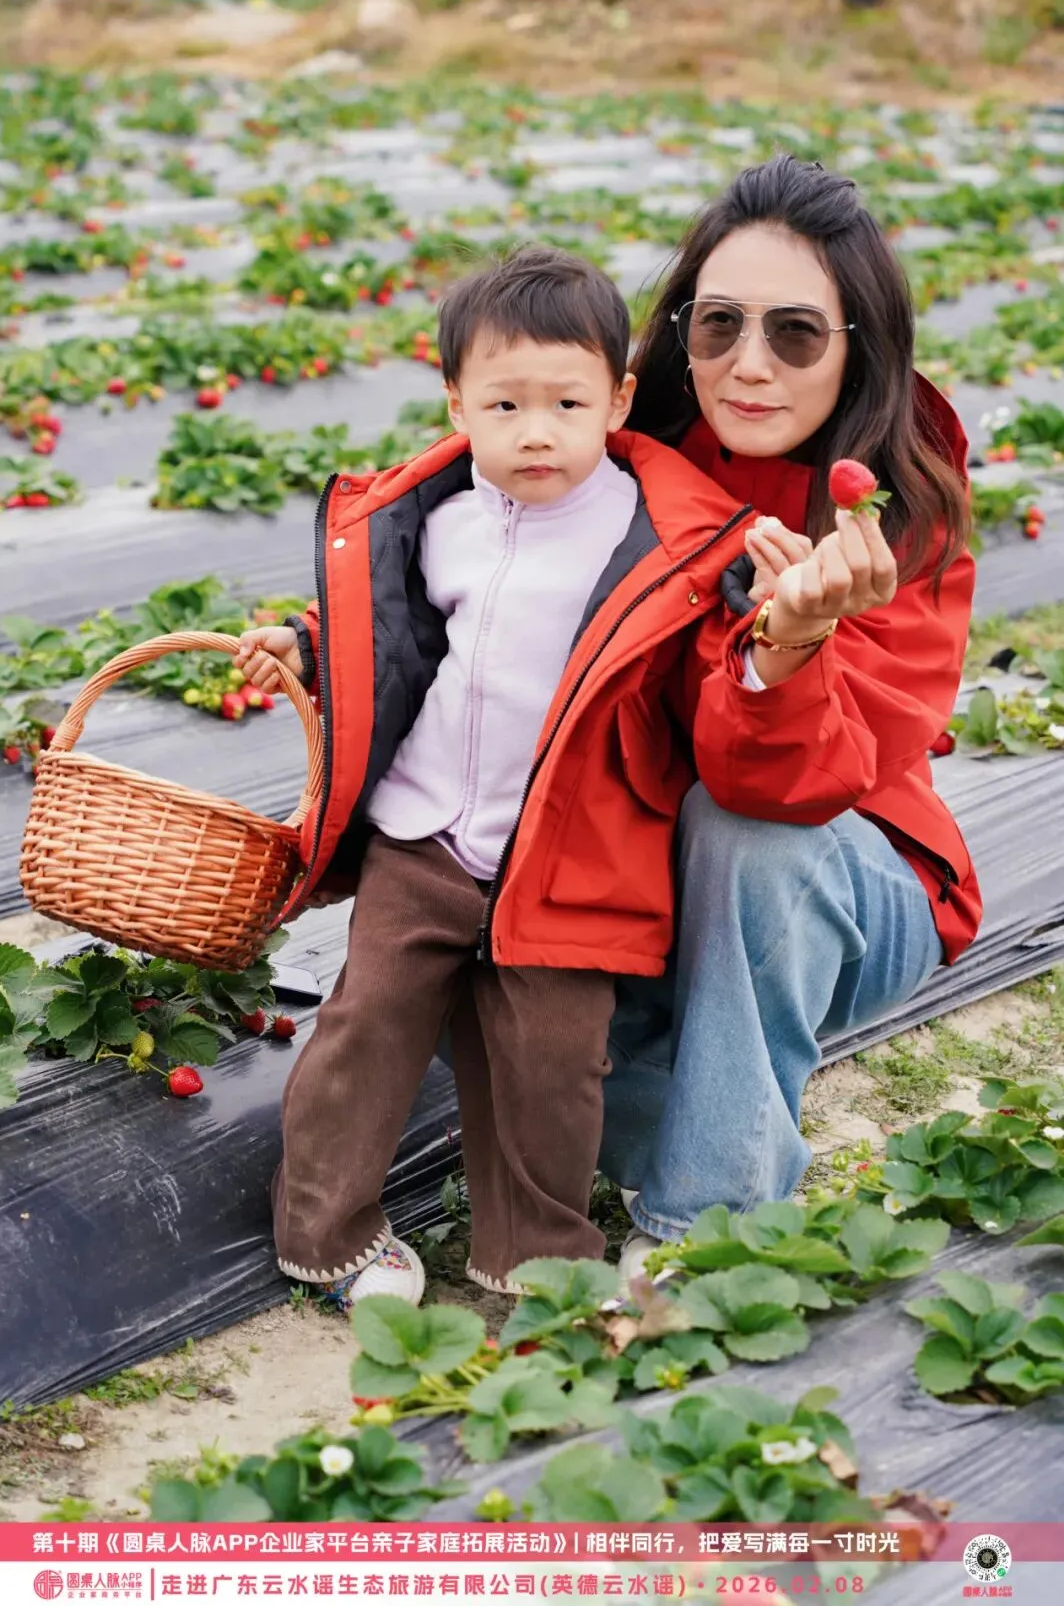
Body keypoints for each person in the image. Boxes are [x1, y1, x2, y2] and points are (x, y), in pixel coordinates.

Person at [235, 246, 760, 1310]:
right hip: (425, 831)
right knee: (367, 1024)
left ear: (618, 400)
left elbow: (708, 674)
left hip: (571, 849)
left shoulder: (660, 542)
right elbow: (394, 636)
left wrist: (770, 635)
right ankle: (326, 1236)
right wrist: (308, 643)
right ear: (456, 404)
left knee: (553, 1061)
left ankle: (537, 1258)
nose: (536, 432)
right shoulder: (441, 522)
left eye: (567, 403)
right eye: (505, 404)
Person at [598, 152, 982, 1281]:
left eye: (797, 334)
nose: (750, 365)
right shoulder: (615, 448)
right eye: (718, 326)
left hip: (844, 881)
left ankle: (705, 1222)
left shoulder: (895, 515)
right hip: (647, 869)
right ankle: (663, 1108)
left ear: (860, 344)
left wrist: (790, 646)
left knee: (742, 836)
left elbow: (787, 791)